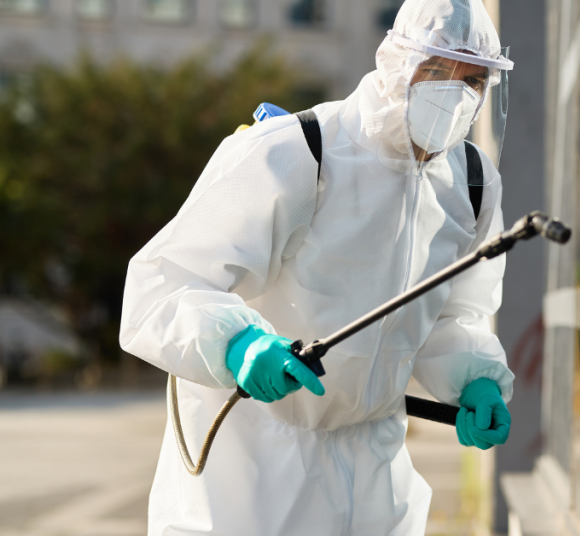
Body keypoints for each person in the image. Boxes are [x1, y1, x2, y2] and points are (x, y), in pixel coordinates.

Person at [119, 0, 515, 534]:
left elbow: (451, 316)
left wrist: (475, 381)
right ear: (397, 63)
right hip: (253, 467)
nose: (455, 93)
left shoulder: (470, 182)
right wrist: (236, 345)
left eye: (473, 81)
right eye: (438, 70)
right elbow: (163, 284)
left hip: (374, 468)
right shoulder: (299, 151)